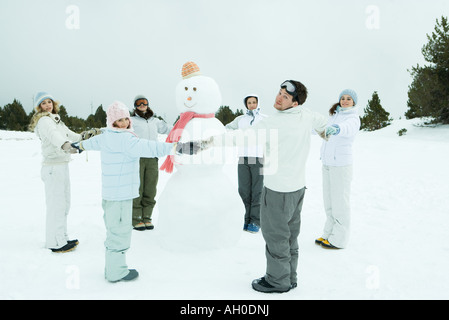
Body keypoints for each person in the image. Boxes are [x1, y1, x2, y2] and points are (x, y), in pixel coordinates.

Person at [211, 80, 328, 293]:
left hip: (277, 191)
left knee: (276, 236)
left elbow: (239, 138)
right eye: (280, 92)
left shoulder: (273, 124)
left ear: (294, 103)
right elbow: (322, 123)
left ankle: (277, 280)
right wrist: (328, 130)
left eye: (285, 96)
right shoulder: (305, 115)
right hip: (297, 190)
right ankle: (290, 276)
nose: (278, 97)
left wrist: (206, 142)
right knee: (290, 236)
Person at [72, 101, 204, 282]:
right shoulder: (127, 140)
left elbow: (89, 143)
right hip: (121, 196)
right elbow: (152, 147)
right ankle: (116, 272)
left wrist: (77, 146)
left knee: (113, 231)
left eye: (126, 118)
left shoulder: (105, 136)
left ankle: (112, 267)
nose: (125, 123)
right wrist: (178, 148)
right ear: (112, 122)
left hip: (110, 196)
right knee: (121, 233)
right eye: (120, 120)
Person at [29, 92, 99, 253]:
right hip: (53, 167)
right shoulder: (45, 121)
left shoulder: (56, 120)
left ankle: (62, 237)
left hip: (62, 165)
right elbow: (55, 138)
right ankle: (55, 242)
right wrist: (66, 146)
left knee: (64, 204)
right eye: (44, 103)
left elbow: (70, 135)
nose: (48, 105)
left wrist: (84, 136)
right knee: (56, 206)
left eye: (49, 102)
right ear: (39, 107)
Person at [315, 89, 360, 249]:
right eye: (342, 98)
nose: (345, 101)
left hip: (341, 165)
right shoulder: (334, 115)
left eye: (349, 98)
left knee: (340, 203)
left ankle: (339, 239)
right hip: (328, 164)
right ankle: (329, 233)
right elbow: (326, 132)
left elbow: (347, 128)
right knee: (329, 202)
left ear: (354, 102)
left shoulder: (353, 118)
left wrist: (338, 129)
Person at [225, 94, 266, 233]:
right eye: (249, 102)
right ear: (246, 104)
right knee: (243, 191)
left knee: (257, 191)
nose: (252, 105)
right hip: (243, 158)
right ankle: (244, 219)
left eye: (254, 102)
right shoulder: (241, 119)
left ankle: (255, 221)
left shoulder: (264, 119)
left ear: (258, 103)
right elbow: (227, 128)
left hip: (258, 158)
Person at [131, 95, 172, 231]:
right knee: (138, 188)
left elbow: (169, 129)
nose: (142, 105)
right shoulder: (132, 121)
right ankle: (136, 217)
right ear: (135, 106)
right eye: (139, 103)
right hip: (137, 158)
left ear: (148, 104)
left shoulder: (155, 121)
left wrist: (186, 124)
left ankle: (147, 217)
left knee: (150, 188)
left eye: (144, 102)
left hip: (152, 158)